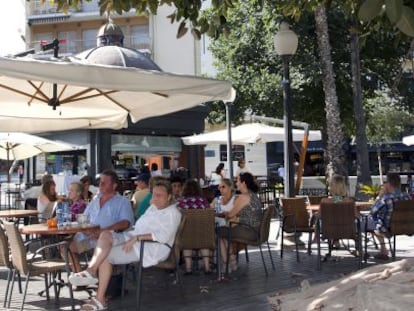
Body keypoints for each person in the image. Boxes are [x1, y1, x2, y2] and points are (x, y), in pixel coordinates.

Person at [69, 180, 182, 311]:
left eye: (160, 195)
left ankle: (99, 298)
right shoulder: (153, 208)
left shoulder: (173, 213)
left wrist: (137, 238)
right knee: (105, 235)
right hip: (133, 238)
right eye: (154, 195)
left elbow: (163, 236)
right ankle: (91, 271)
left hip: (151, 247)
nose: (155, 198)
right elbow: (139, 227)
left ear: (169, 196)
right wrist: (129, 236)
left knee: (105, 255)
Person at [69, 169, 135, 272]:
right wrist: (84, 229)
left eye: (104, 182)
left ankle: (87, 275)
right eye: (100, 182)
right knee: (65, 248)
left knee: (100, 247)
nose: (100, 184)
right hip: (87, 238)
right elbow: (84, 218)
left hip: (105, 240)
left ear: (114, 186)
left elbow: (126, 223)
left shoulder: (122, 202)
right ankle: (80, 276)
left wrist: (103, 231)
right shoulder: (95, 201)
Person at [218, 172, 262, 272]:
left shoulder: (244, 197)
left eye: (237, 181)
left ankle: (227, 263)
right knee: (224, 233)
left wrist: (224, 213)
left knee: (217, 232)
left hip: (247, 231)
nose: (236, 183)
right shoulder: (253, 195)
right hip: (254, 230)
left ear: (244, 183)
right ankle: (232, 261)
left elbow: (230, 215)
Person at [369, 172, 410, 260]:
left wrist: (379, 196)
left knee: (370, 222)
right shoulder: (406, 196)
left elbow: (372, 211)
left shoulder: (385, 199)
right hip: (406, 227)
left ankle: (383, 250)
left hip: (387, 229)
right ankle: (383, 250)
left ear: (387, 184)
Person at [177, 179, 211, 274]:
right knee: (204, 242)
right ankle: (207, 267)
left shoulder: (181, 203)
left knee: (186, 244)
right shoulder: (203, 201)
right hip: (203, 234)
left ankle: (188, 268)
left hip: (187, 236)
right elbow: (210, 215)